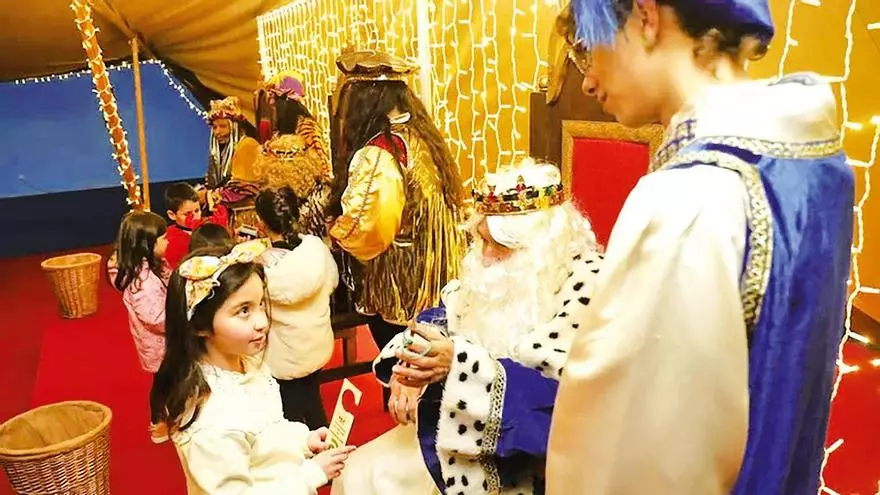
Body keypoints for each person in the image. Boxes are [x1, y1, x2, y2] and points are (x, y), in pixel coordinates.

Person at [547, 1, 854, 494]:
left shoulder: (687, 199)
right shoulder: (815, 164)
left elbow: (634, 464)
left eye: (585, 47)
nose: (586, 80)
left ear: (646, 17)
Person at [332, 160, 603, 495]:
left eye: (499, 245)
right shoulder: (498, 270)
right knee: (356, 471)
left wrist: (457, 365)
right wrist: (413, 364)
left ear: (539, 245)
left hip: (523, 462)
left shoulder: (587, 285)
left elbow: (563, 398)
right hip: (455, 431)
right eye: (481, 239)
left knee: (376, 478)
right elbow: (446, 315)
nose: (484, 255)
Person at [149, 240, 355, 493]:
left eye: (261, 305)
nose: (262, 322)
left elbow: (269, 431)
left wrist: (303, 440)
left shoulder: (248, 364)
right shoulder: (213, 421)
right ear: (200, 326)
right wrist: (311, 474)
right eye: (243, 311)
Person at [328, 50, 467, 351]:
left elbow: (367, 229)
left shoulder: (380, 152)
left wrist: (335, 234)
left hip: (402, 287)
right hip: (437, 281)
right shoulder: (422, 137)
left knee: (399, 367)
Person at [255, 187, 338, 429]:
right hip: (316, 343)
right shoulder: (316, 249)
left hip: (283, 354)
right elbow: (332, 282)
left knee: (289, 414)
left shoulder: (263, 269)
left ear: (261, 223)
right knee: (312, 400)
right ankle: (325, 440)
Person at [255, 72, 333, 238]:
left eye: (273, 98)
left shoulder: (307, 127)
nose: (270, 103)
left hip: (304, 201)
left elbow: (321, 164)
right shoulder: (281, 129)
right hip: (284, 196)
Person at [108, 210, 170, 373]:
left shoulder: (151, 264)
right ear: (148, 245)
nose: (168, 242)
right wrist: (185, 317)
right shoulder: (144, 283)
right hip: (162, 349)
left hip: (163, 345)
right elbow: (157, 320)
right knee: (167, 381)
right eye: (164, 238)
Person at [164, 182, 229, 269]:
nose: (194, 217)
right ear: (172, 215)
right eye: (187, 214)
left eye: (197, 211)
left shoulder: (206, 224)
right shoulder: (170, 240)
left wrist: (214, 204)